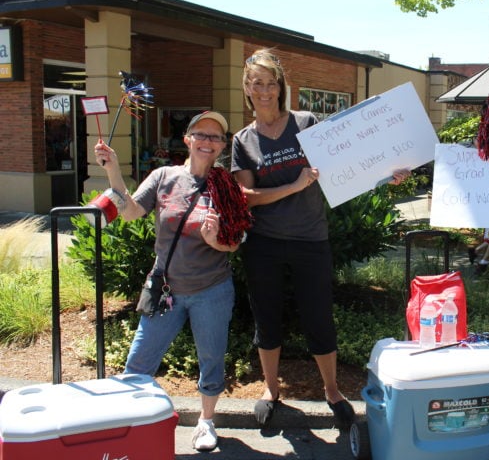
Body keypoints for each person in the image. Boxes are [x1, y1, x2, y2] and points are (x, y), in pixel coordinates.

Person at [231, 49, 409, 429]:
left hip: (311, 239)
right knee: (267, 318)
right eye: (257, 83)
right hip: (263, 243)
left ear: (281, 86)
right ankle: (271, 389)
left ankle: (331, 390)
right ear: (247, 88)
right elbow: (247, 197)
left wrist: (386, 171)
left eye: (271, 83)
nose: (265, 90)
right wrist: (294, 185)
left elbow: (347, 160)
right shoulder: (243, 140)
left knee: (319, 318)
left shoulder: (306, 122)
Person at [94, 111, 251, 452]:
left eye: (216, 137)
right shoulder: (164, 176)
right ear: (187, 139)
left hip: (212, 290)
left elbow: (236, 241)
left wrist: (216, 242)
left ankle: (206, 422)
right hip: (165, 288)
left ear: (222, 145)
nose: (208, 142)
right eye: (202, 134)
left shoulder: (226, 186)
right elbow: (131, 210)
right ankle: (130, 427)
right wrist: (112, 169)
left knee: (211, 358)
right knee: (139, 361)